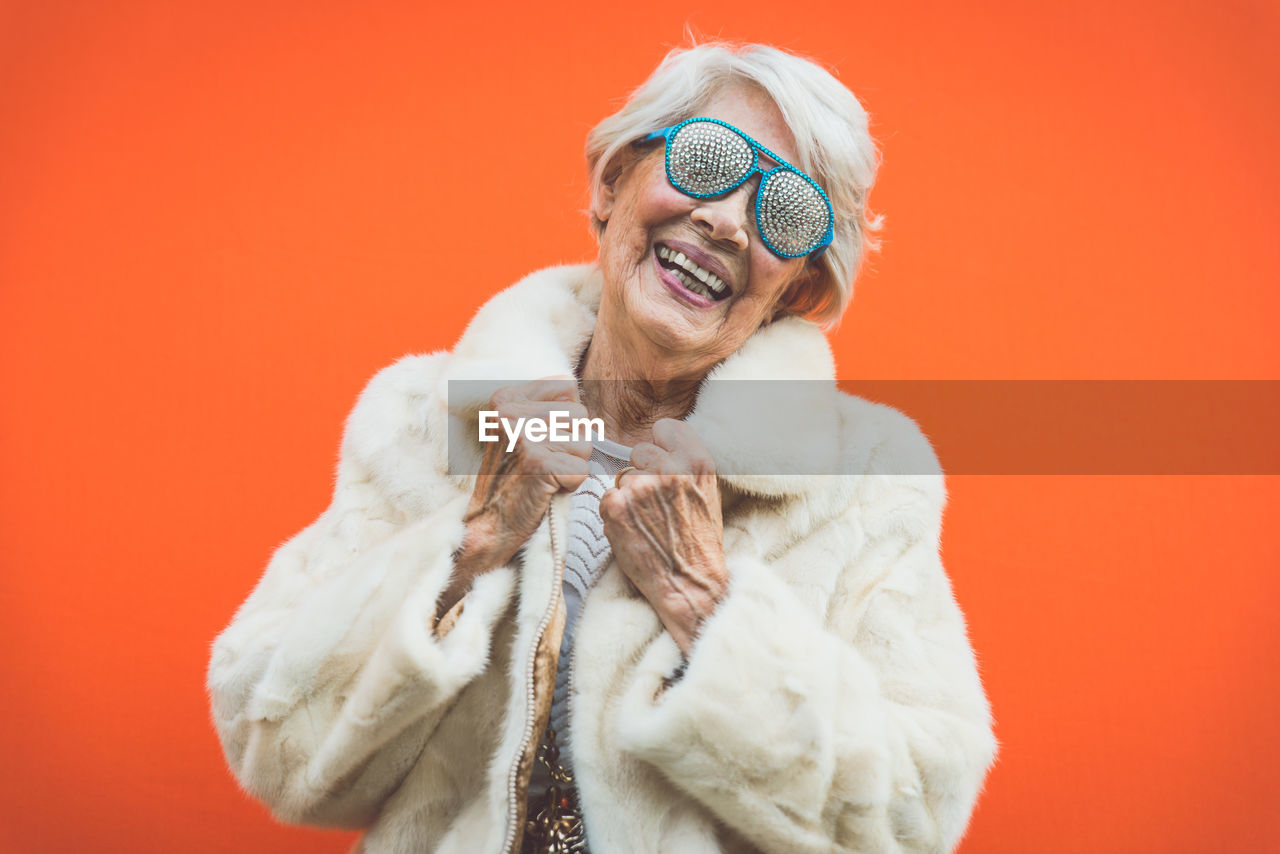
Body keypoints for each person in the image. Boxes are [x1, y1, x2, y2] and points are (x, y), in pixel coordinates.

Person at [207, 41, 996, 854]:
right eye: (708, 158)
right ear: (613, 181)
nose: (726, 219)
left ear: (793, 288)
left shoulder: (864, 482)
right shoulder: (427, 419)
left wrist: (708, 610)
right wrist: (466, 552)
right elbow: (272, 745)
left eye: (785, 211)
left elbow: (914, 821)